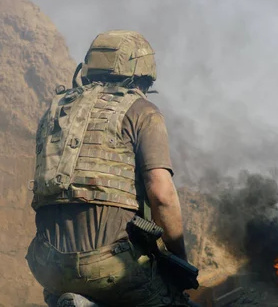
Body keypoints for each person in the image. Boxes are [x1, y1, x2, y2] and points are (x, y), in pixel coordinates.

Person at [26, 30, 197, 307]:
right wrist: (179, 263)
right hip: (111, 266)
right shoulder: (142, 111)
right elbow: (162, 195)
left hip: (48, 265)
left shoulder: (55, 112)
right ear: (141, 77)